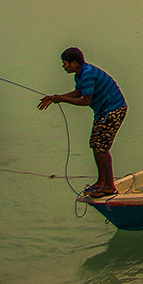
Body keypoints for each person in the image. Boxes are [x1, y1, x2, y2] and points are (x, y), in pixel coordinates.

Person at [37, 47, 127, 198]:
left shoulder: (87, 74)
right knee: (94, 144)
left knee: (101, 147)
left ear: (73, 63)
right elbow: (79, 92)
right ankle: (101, 181)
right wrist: (55, 98)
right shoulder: (80, 75)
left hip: (114, 109)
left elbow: (85, 101)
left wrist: (62, 99)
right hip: (102, 112)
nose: (63, 67)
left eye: (64, 63)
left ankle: (109, 186)